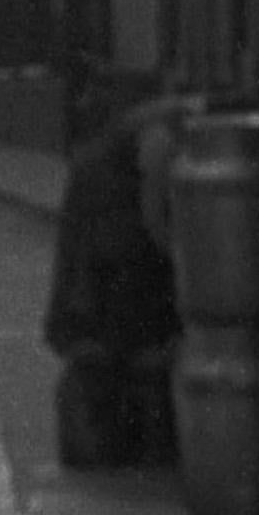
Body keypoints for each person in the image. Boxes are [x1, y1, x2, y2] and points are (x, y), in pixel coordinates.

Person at [44, 76, 182, 465]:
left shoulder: (97, 156)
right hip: (118, 276)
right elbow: (157, 227)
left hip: (89, 287)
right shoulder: (161, 138)